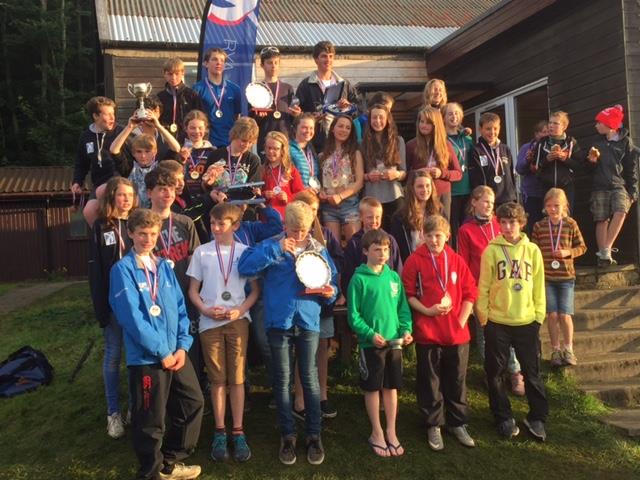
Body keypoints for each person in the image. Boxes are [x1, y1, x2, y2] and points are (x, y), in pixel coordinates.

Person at [238, 201, 338, 466]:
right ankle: (288, 435)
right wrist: (275, 249)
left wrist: (330, 294)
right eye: (294, 230)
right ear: (285, 226)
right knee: (282, 382)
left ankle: (315, 436)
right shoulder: (272, 243)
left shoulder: (317, 249)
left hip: (307, 321)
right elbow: (245, 267)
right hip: (279, 322)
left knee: (310, 379)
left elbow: (332, 283)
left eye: (303, 230)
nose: (299, 235)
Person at [109, 208, 203, 480]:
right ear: (130, 234)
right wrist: (162, 352)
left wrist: (182, 347)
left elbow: (180, 308)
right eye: (142, 234)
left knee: (193, 402)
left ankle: (170, 462)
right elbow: (132, 318)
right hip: (147, 358)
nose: (147, 239)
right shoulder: (122, 270)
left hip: (176, 353)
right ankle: (149, 472)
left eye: (152, 234)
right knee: (151, 420)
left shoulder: (163, 266)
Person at [187, 203, 260, 463]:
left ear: (236, 225)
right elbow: (193, 290)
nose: (216, 228)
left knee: (237, 378)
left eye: (222, 224)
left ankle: (238, 431)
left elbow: (255, 290)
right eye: (213, 223)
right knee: (217, 379)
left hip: (238, 320)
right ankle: (220, 430)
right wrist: (205, 309)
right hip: (210, 323)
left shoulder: (245, 252)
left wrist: (240, 310)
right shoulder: (202, 252)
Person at [402, 215, 477, 451]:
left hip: (456, 334)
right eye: (430, 235)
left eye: (439, 236)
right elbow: (408, 294)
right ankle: (433, 424)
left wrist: (461, 320)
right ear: (423, 236)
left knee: (456, 380)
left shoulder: (456, 260)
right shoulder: (415, 261)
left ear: (447, 236)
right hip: (429, 332)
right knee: (430, 381)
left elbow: (470, 293)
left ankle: (457, 422)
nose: (434, 240)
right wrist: (427, 310)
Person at [476, 202, 548, 442]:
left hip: (527, 320)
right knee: (495, 372)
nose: (508, 227)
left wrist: (539, 315)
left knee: (532, 372)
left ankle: (537, 417)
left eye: (512, 222)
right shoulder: (492, 250)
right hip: (497, 320)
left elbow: (539, 285)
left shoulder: (533, 250)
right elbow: (483, 286)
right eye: (503, 222)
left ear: (521, 223)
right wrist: (484, 318)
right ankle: (503, 416)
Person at [348, 229, 412, 457]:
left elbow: (402, 308)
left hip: (394, 344)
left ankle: (391, 431)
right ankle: (376, 432)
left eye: (386, 249)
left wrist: (406, 330)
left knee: (391, 387)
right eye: (377, 249)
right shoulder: (358, 279)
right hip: (371, 346)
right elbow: (353, 315)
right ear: (365, 251)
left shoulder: (394, 277)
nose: (383, 254)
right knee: (373, 388)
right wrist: (369, 334)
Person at [88, 177, 137, 439]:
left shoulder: (138, 224)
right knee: (113, 355)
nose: (126, 199)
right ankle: (113, 412)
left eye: (130, 194)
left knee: (134, 357)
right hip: (113, 304)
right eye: (121, 194)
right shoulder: (100, 226)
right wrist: (101, 309)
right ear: (112, 198)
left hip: (137, 304)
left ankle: (133, 407)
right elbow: (96, 271)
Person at [146, 169, 203, 386]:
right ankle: (164, 394)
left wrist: (194, 292)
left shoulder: (185, 222)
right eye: (161, 189)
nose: (167, 193)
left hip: (185, 295)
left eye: (170, 189)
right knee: (162, 347)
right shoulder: (143, 224)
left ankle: (193, 389)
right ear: (149, 192)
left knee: (189, 345)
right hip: (156, 297)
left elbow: (194, 260)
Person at [292, 189, 343, 420]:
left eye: (313, 210)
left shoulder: (327, 238)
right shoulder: (291, 238)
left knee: (322, 348)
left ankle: (322, 395)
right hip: (301, 304)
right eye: (305, 209)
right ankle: (300, 397)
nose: (309, 215)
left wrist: (335, 290)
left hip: (323, 303)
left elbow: (337, 264)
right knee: (301, 351)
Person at [532, 188, 586, 366]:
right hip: (547, 278)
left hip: (566, 278)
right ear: (544, 207)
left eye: (556, 206)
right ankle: (555, 350)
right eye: (549, 206)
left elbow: (582, 247)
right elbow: (534, 250)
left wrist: (567, 252)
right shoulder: (539, 226)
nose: (553, 209)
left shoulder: (571, 224)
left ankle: (568, 349)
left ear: (564, 206)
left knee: (565, 315)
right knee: (552, 315)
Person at [585, 104, 639, 266]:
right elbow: (588, 169)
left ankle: (606, 249)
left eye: (599, 123)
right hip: (599, 185)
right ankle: (604, 257)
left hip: (618, 185)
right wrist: (592, 161)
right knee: (601, 219)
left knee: (621, 210)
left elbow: (632, 168)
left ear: (610, 125)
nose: (596, 125)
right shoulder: (596, 143)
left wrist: (633, 191)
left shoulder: (625, 142)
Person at [295, 40, 359, 151]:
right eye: (324, 56)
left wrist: (348, 107)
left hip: (341, 142)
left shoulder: (345, 84)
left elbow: (359, 110)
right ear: (316, 59)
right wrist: (311, 117)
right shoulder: (305, 85)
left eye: (331, 56)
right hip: (314, 143)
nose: (328, 60)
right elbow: (297, 115)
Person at [72, 96, 124, 225]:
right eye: (108, 114)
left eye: (113, 113)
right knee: (89, 211)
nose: (112, 118)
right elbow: (81, 162)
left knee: (111, 210)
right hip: (99, 183)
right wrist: (77, 181)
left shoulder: (121, 132)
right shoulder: (85, 137)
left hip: (120, 181)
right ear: (95, 116)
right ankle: (101, 241)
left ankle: (124, 237)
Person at [406, 107, 461, 220]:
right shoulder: (411, 145)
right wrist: (418, 173)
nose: (424, 125)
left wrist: (441, 173)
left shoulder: (446, 145)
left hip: (442, 195)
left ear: (436, 125)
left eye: (428, 123)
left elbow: (458, 173)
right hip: (419, 195)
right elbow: (404, 174)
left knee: (442, 229)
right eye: (421, 121)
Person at [342, 196, 403, 297]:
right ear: (361, 217)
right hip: (364, 295)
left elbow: (398, 268)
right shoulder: (354, 243)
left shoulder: (390, 240)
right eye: (369, 217)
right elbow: (348, 274)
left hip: (387, 294)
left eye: (377, 217)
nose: (374, 221)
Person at [360, 103, 407, 231]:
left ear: (387, 119)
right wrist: (368, 176)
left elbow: (404, 173)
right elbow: (358, 175)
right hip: (372, 198)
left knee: (397, 235)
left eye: (381, 117)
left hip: (394, 196)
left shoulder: (398, 141)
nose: (378, 121)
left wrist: (396, 174)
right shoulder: (362, 144)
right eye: (374, 118)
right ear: (369, 120)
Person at [319, 115, 364, 244]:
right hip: (328, 206)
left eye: (348, 128)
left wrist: (340, 196)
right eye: (340, 126)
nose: (344, 130)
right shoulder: (322, 155)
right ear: (332, 128)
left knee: (354, 246)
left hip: (349, 204)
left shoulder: (355, 153)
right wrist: (321, 192)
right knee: (334, 249)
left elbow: (359, 182)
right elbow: (320, 182)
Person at [528, 112, 583, 212]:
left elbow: (579, 166)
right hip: (546, 187)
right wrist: (547, 160)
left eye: (555, 123)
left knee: (566, 218)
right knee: (548, 217)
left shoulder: (571, 142)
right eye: (550, 123)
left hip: (566, 187)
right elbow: (535, 167)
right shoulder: (541, 143)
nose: (551, 126)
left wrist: (565, 159)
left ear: (564, 126)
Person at [251, 46, 298, 154]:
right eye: (269, 63)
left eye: (276, 63)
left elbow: (293, 117)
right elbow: (251, 118)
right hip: (265, 139)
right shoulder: (256, 88)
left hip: (285, 139)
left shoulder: (288, 88)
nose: (273, 66)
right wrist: (258, 116)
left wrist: (296, 114)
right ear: (262, 65)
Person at [205, 117, 262, 204]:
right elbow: (204, 187)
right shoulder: (215, 155)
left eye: (250, 142)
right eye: (244, 140)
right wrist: (208, 185)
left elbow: (253, 191)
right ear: (235, 135)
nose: (246, 145)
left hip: (240, 206)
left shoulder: (253, 160)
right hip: (216, 205)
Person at [192, 47, 241, 147]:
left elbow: (237, 117)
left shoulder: (235, 89)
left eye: (222, 60)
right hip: (207, 143)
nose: (218, 63)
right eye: (214, 59)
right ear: (206, 63)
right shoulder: (197, 89)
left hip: (229, 143)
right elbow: (194, 117)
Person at [390, 170, 442, 262]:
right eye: (420, 186)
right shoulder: (400, 217)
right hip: (413, 263)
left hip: (436, 261)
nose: (425, 190)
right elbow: (398, 249)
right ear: (412, 188)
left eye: (427, 186)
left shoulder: (440, 211)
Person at [469, 112, 517, 206]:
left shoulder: (505, 149)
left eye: (495, 128)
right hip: (490, 202)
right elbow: (477, 179)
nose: (492, 132)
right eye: (488, 129)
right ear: (480, 129)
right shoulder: (476, 150)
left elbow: (511, 175)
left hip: (508, 199)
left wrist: (514, 196)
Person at [444, 102, 473, 243]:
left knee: (467, 227)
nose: (453, 116)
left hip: (468, 189)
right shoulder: (441, 140)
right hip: (452, 190)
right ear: (443, 117)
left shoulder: (467, 139)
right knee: (453, 229)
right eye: (449, 113)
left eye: (456, 113)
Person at [158, 57, 203, 143]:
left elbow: (201, 119)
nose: (173, 77)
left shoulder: (192, 95)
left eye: (177, 74)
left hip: (187, 140)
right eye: (170, 74)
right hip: (166, 140)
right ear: (164, 74)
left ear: (183, 73)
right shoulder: (160, 97)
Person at [515, 120, 548, 234]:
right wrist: (527, 160)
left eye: (549, 131)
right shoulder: (527, 147)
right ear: (536, 134)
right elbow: (519, 169)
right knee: (534, 225)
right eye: (544, 132)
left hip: (548, 192)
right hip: (532, 193)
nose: (547, 134)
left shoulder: (552, 146)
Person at [262, 131, 304, 219]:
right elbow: (256, 194)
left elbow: (300, 195)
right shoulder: (262, 170)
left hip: (287, 217)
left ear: (282, 150)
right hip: (267, 217)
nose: (271, 151)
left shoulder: (291, 170)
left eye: (275, 148)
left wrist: (288, 198)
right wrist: (264, 194)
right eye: (268, 148)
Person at [179, 110, 217, 201]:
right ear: (185, 128)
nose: (196, 131)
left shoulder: (213, 152)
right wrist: (180, 160)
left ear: (206, 129)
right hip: (184, 199)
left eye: (200, 128)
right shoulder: (179, 150)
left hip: (206, 199)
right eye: (192, 128)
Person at [289, 113, 322, 190]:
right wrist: (302, 189)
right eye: (304, 127)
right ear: (295, 129)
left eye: (311, 128)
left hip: (313, 197)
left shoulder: (312, 150)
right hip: (297, 198)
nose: (308, 131)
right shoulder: (288, 149)